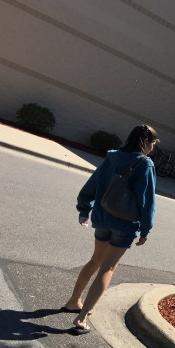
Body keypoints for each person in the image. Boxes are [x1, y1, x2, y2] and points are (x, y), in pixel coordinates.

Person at [62, 124, 159, 334]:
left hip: (102, 218)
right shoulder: (145, 164)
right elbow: (147, 201)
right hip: (124, 224)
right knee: (108, 268)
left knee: (95, 261)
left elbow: (91, 185)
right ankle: (81, 318)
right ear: (146, 142)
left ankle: (73, 301)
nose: (153, 148)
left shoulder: (112, 158)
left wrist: (84, 209)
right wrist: (145, 230)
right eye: (152, 143)